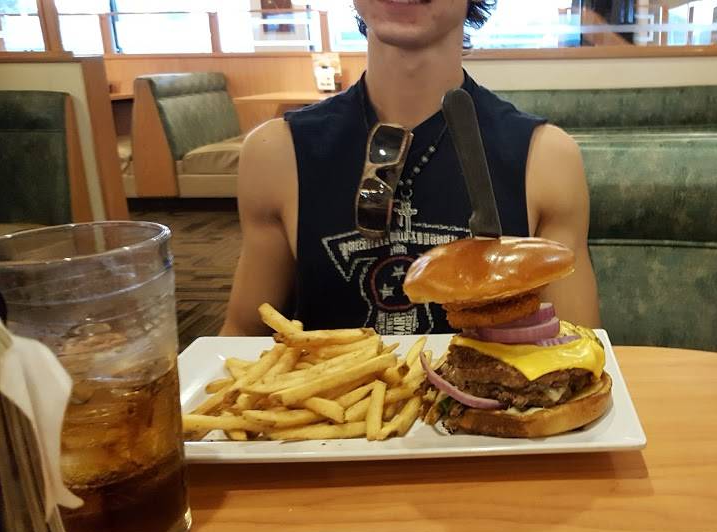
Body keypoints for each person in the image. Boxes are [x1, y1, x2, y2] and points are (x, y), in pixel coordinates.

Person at [220, 0, 599, 336]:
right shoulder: (276, 153)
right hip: (326, 397)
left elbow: (579, 346)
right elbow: (243, 332)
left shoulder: (545, 157)